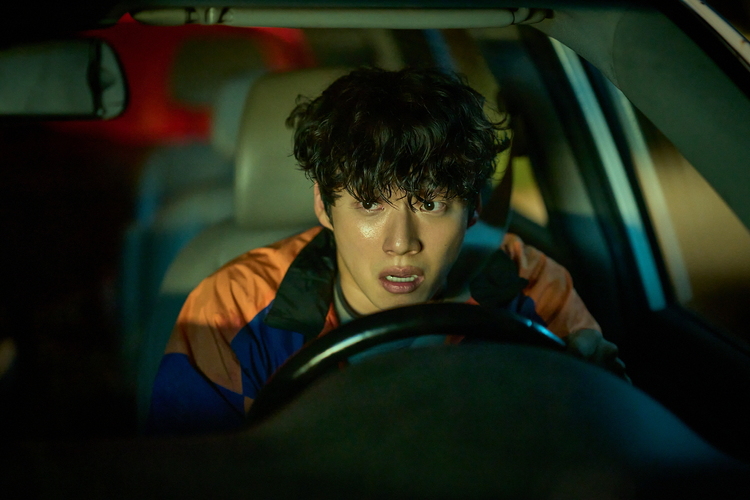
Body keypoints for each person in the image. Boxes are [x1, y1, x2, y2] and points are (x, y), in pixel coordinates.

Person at [147, 67, 625, 435]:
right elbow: (191, 471)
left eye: (431, 204)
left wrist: (595, 392)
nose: (401, 243)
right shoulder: (232, 307)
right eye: (370, 204)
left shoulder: (528, 286)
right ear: (324, 205)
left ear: (473, 210)